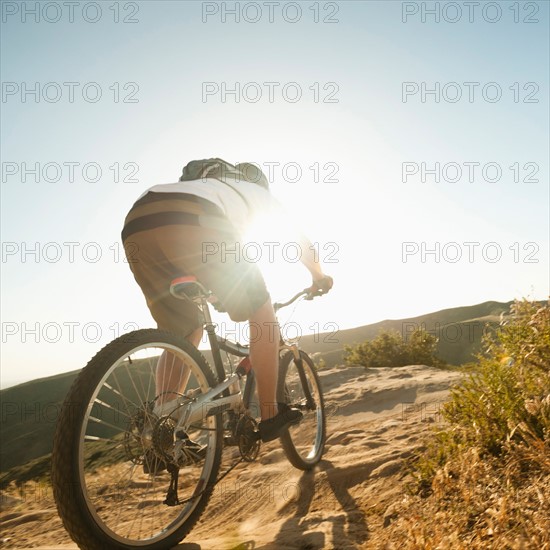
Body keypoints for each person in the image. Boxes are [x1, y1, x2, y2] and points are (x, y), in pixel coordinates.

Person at [121, 158, 333, 448]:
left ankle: (162, 428)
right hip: (194, 215)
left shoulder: (207, 186)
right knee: (262, 312)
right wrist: (319, 277)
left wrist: (220, 292)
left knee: (184, 331)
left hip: (138, 220)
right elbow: (300, 243)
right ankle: (271, 414)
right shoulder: (255, 192)